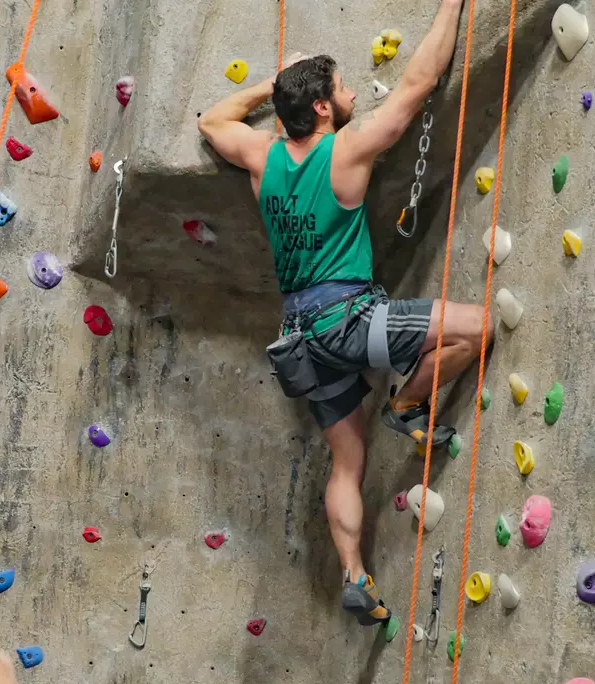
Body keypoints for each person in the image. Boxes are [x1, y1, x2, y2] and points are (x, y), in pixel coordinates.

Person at [197, 0, 489, 628]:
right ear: (324, 107)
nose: (353, 93)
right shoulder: (345, 151)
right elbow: (419, 82)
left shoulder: (262, 157)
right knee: (479, 327)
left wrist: (273, 85)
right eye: (342, 87)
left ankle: (355, 575)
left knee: (347, 462)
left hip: (298, 338)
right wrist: (451, 6)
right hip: (347, 319)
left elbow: (211, 120)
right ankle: (407, 404)